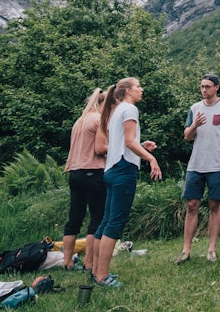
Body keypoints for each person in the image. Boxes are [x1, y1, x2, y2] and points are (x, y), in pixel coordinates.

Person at [91, 77, 162, 288]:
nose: (141, 89)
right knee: (115, 223)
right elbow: (129, 143)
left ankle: (95, 271)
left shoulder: (116, 111)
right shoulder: (130, 109)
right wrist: (151, 159)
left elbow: (124, 142)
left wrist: (142, 145)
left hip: (111, 169)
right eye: (138, 86)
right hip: (123, 170)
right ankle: (102, 276)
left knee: (105, 221)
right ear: (128, 91)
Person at [175, 73, 220, 265]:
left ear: (217, 87)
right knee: (192, 205)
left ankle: (211, 249)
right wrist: (195, 124)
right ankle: (186, 250)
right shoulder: (195, 108)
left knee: (214, 204)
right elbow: (187, 136)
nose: (204, 90)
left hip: (216, 164)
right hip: (196, 165)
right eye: (202, 86)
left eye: (208, 86)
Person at [61, 87, 108, 271]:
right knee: (97, 217)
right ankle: (89, 262)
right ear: (102, 104)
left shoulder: (79, 121)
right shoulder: (99, 120)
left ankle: (67, 261)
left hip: (75, 173)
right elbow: (100, 149)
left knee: (74, 218)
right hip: (93, 172)